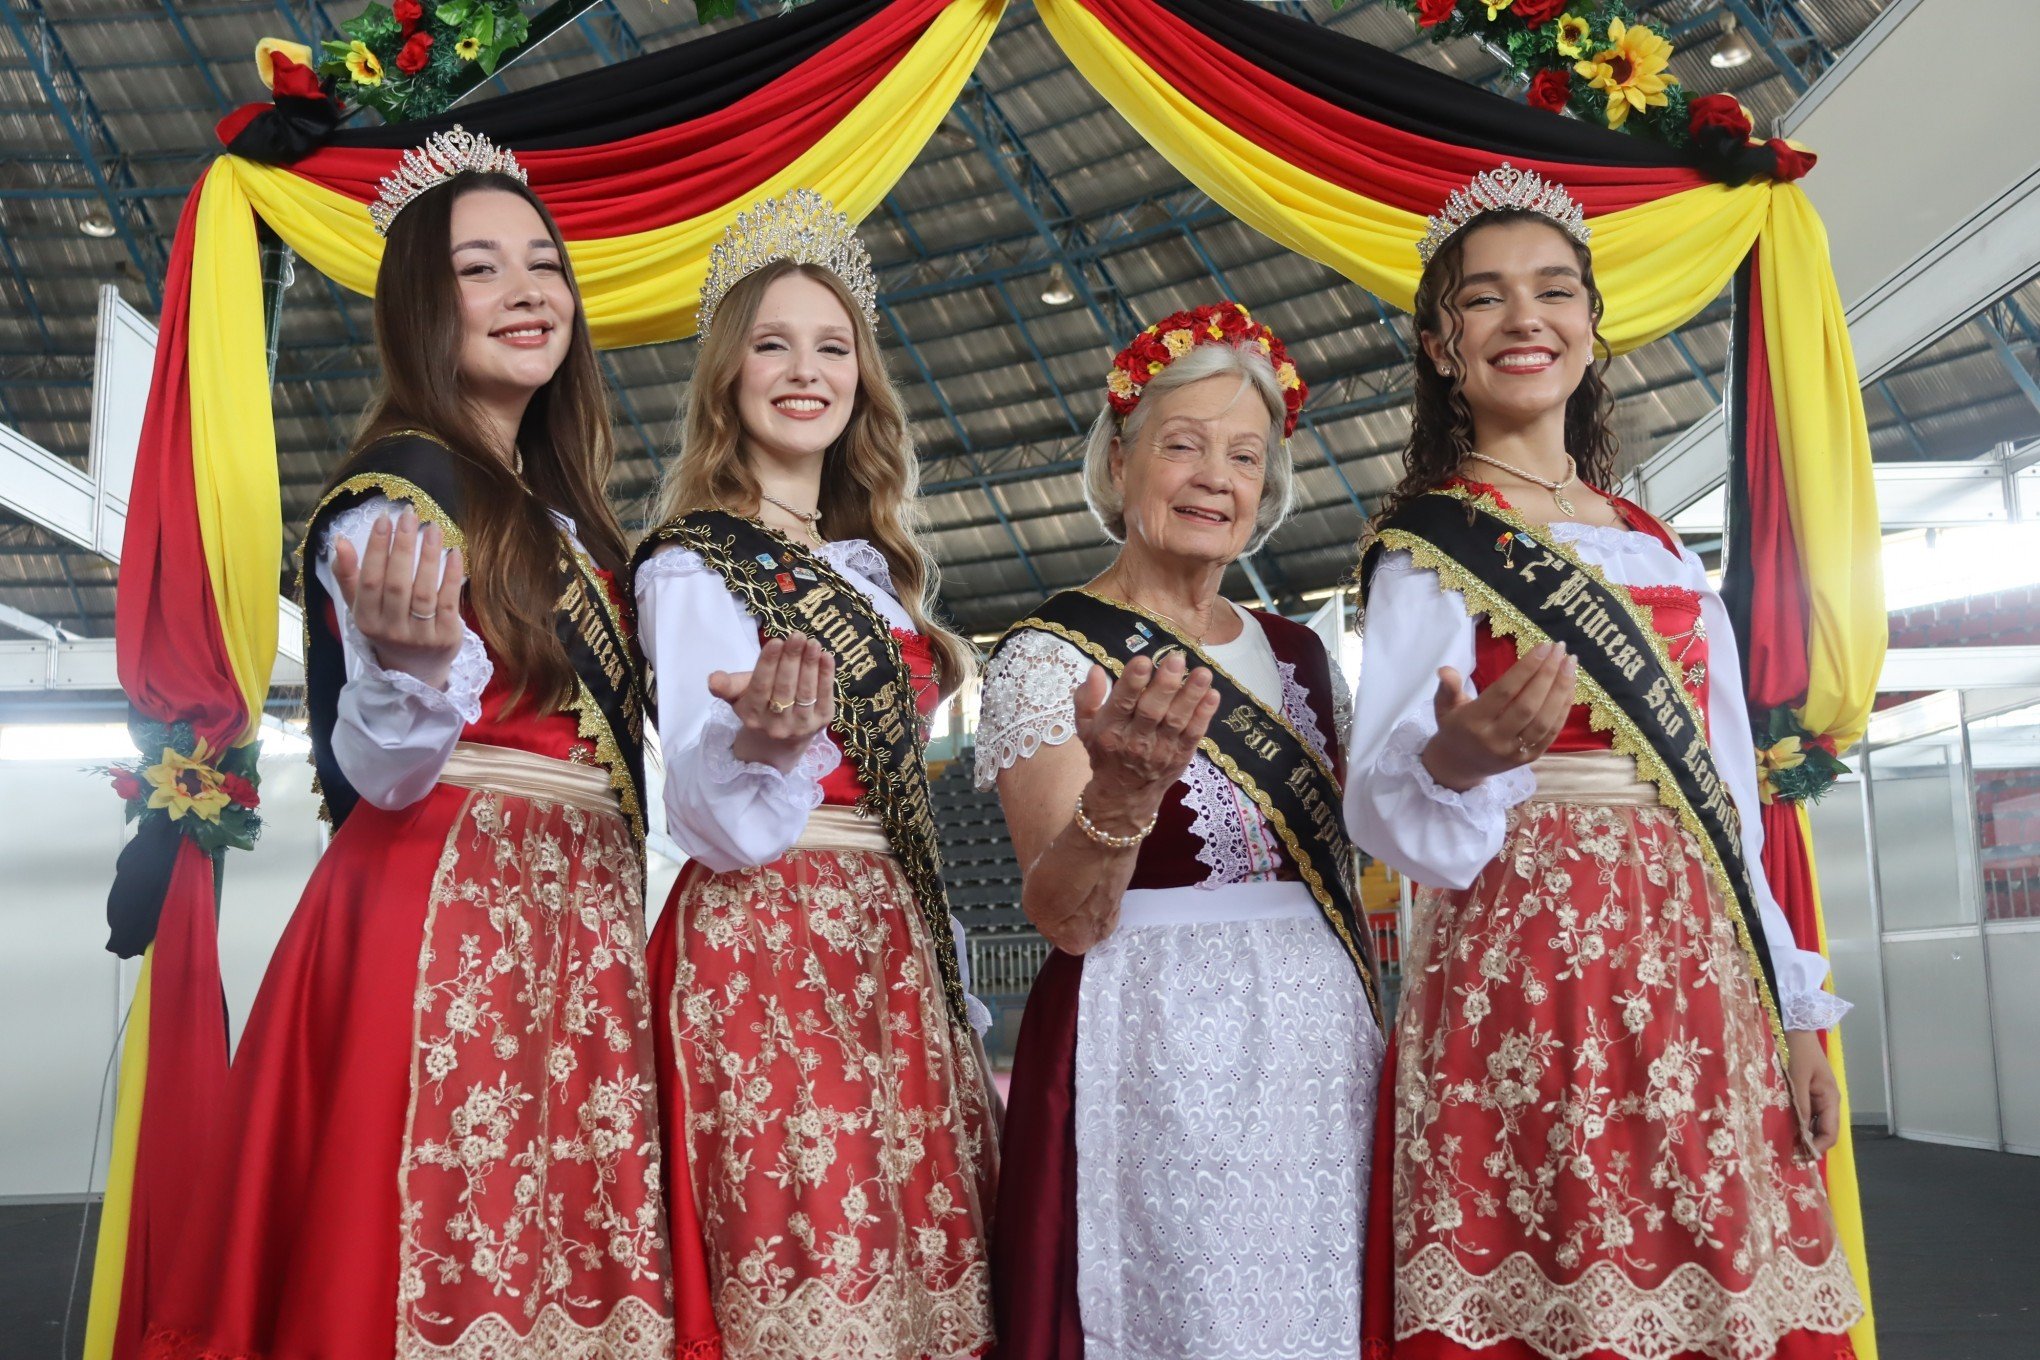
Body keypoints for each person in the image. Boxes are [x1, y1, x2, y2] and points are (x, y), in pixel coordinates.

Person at [139, 128, 713, 1360]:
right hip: (451, 909)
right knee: (439, 1247)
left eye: (544, 265)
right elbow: (382, 776)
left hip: (580, 907)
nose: (526, 292)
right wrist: (398, 675)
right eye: (480, 269)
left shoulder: (570, 516)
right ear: (417, 305)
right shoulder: (396, 498)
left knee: (560, 1252)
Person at [1348, 164, 1863, 1360]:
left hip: (1696, 957)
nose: (1524, 317)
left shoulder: (1658, 547)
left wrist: (1793, 1017)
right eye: (1483, 299)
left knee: (1717, 1263)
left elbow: (1728, 794)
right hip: (1528, 957)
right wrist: (1460, 757)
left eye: (1554, 290)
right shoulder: (1429, 542)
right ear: (1440, 343)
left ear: (1590, 325)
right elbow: (1381, 789)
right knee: (1565, 1258)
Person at [979, 301, 1386, 1360]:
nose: (1216, 475)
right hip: (1148, 1042)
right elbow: (1064, 917)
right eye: (1184, 444)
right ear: (1119, 464)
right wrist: (1121, 795)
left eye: (1245, 455)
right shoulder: (1047, 654)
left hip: (1318, 1055)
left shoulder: (1301, 653)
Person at [630, 189, 996, 1360]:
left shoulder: (874, 570)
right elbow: (707, 811)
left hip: (892, 936)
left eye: (832, 346)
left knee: (912, 1275)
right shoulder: (694, 564)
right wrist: (761, 742)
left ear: (862, 379)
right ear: (728, 374)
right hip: (764, 939)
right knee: (803, 1263)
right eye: (772, 343)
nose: (805, 369)